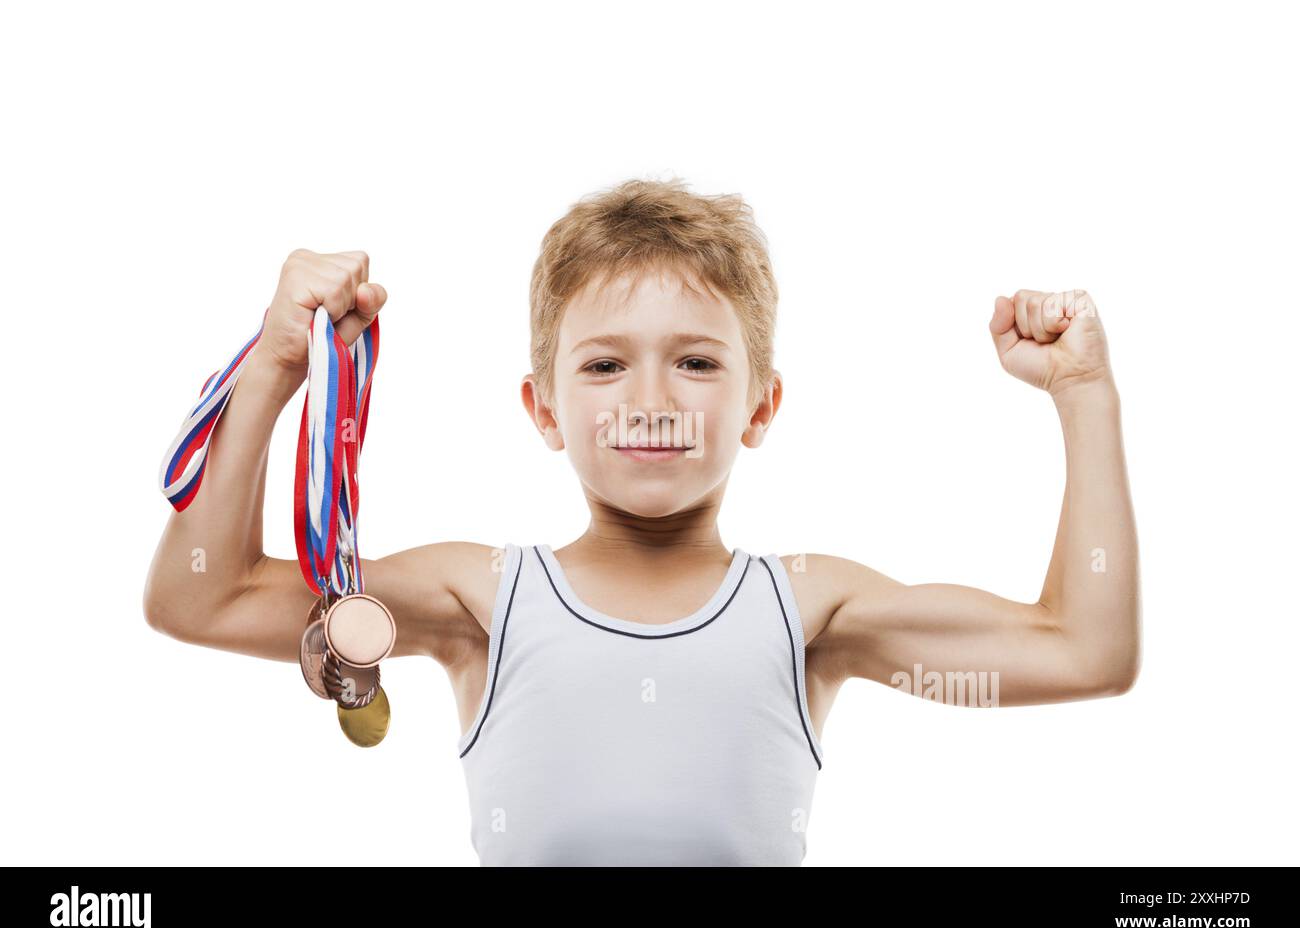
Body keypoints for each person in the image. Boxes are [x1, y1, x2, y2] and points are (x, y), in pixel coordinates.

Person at [143, 177, 1141, 866]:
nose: (650, 398)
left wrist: (1083, 391)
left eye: (698, 361)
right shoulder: (481, 597)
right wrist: (277, 362)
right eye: (605, 362)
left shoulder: (810, 607)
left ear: (761, 406)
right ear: (542, 408)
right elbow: (201, 593)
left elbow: (1084, 650)